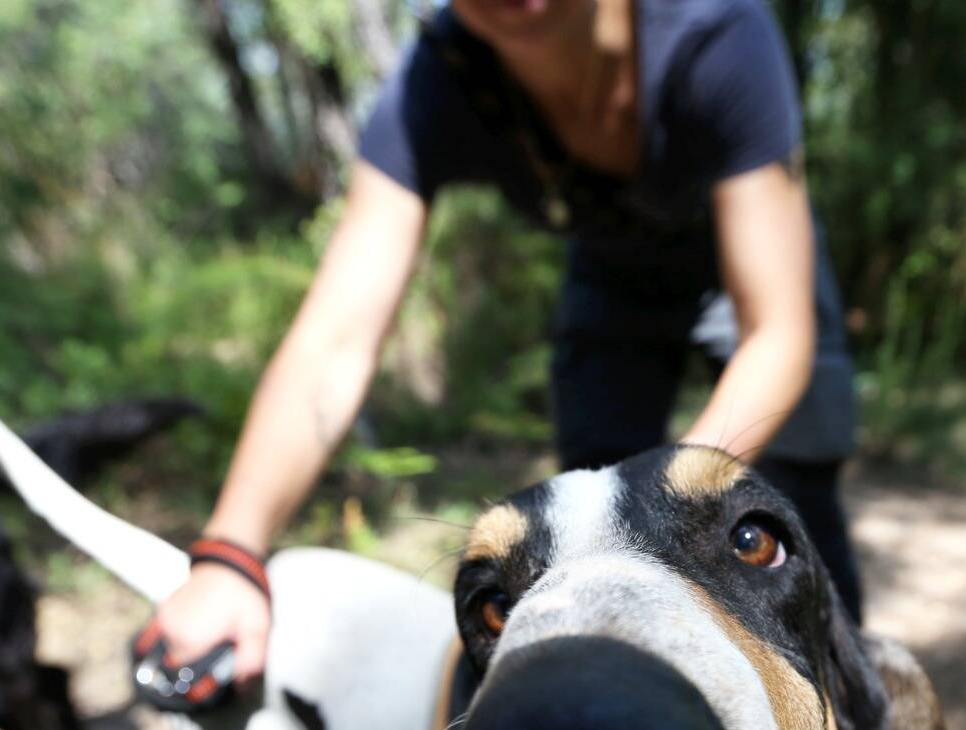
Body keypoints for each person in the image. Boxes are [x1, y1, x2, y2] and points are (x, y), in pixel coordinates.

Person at [152, 0, 863, 686]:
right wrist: (230, 553)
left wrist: (669, 522)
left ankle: (846, 729)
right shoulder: (436, 85)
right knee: (591, 503)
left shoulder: (716, 31)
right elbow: (336, 338)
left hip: (753, 264)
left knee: (781, 505)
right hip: (612, 273)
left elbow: (776, 330)